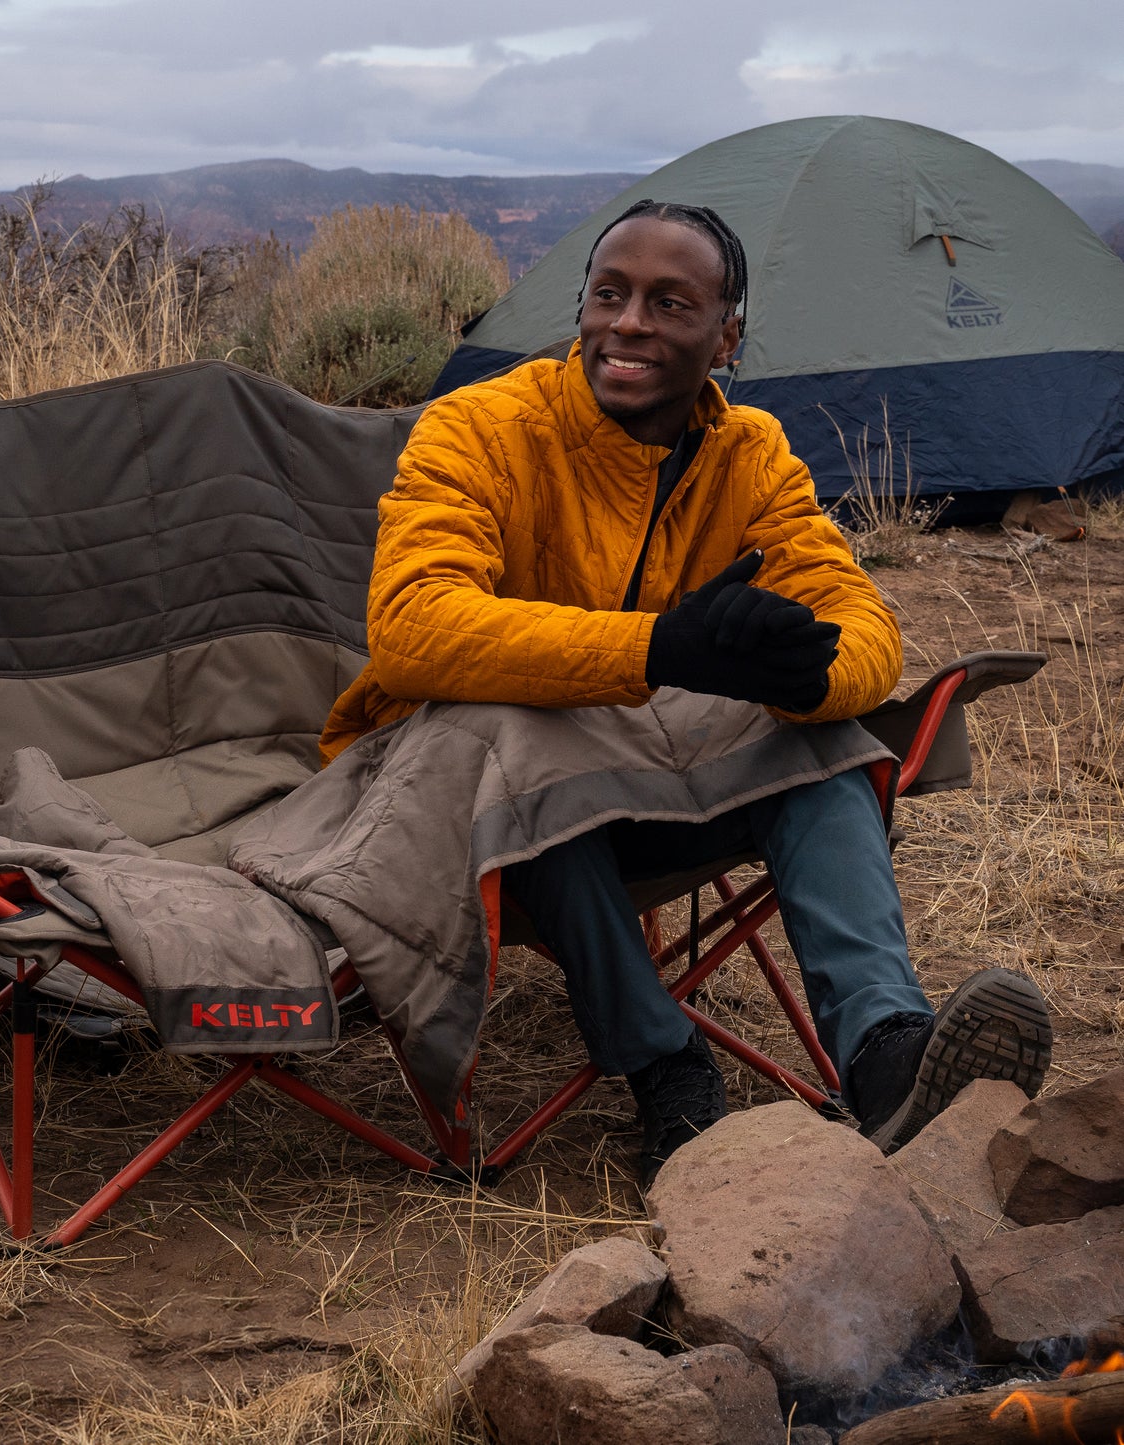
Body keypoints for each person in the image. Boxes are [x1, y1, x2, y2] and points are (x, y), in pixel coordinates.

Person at [319, 199, 1051, 1179]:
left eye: (669, 303)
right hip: (470, 809)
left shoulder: (748, 454)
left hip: (655, 788)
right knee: (508, 738)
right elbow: (409, 630)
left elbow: (864, 622)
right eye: (608, 294)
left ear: (726, 334)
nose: (626, 323)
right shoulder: (479, 427)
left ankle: (884, 1055)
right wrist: (659, 647)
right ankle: (662, 1062)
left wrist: (808, 671)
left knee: (823, 733)